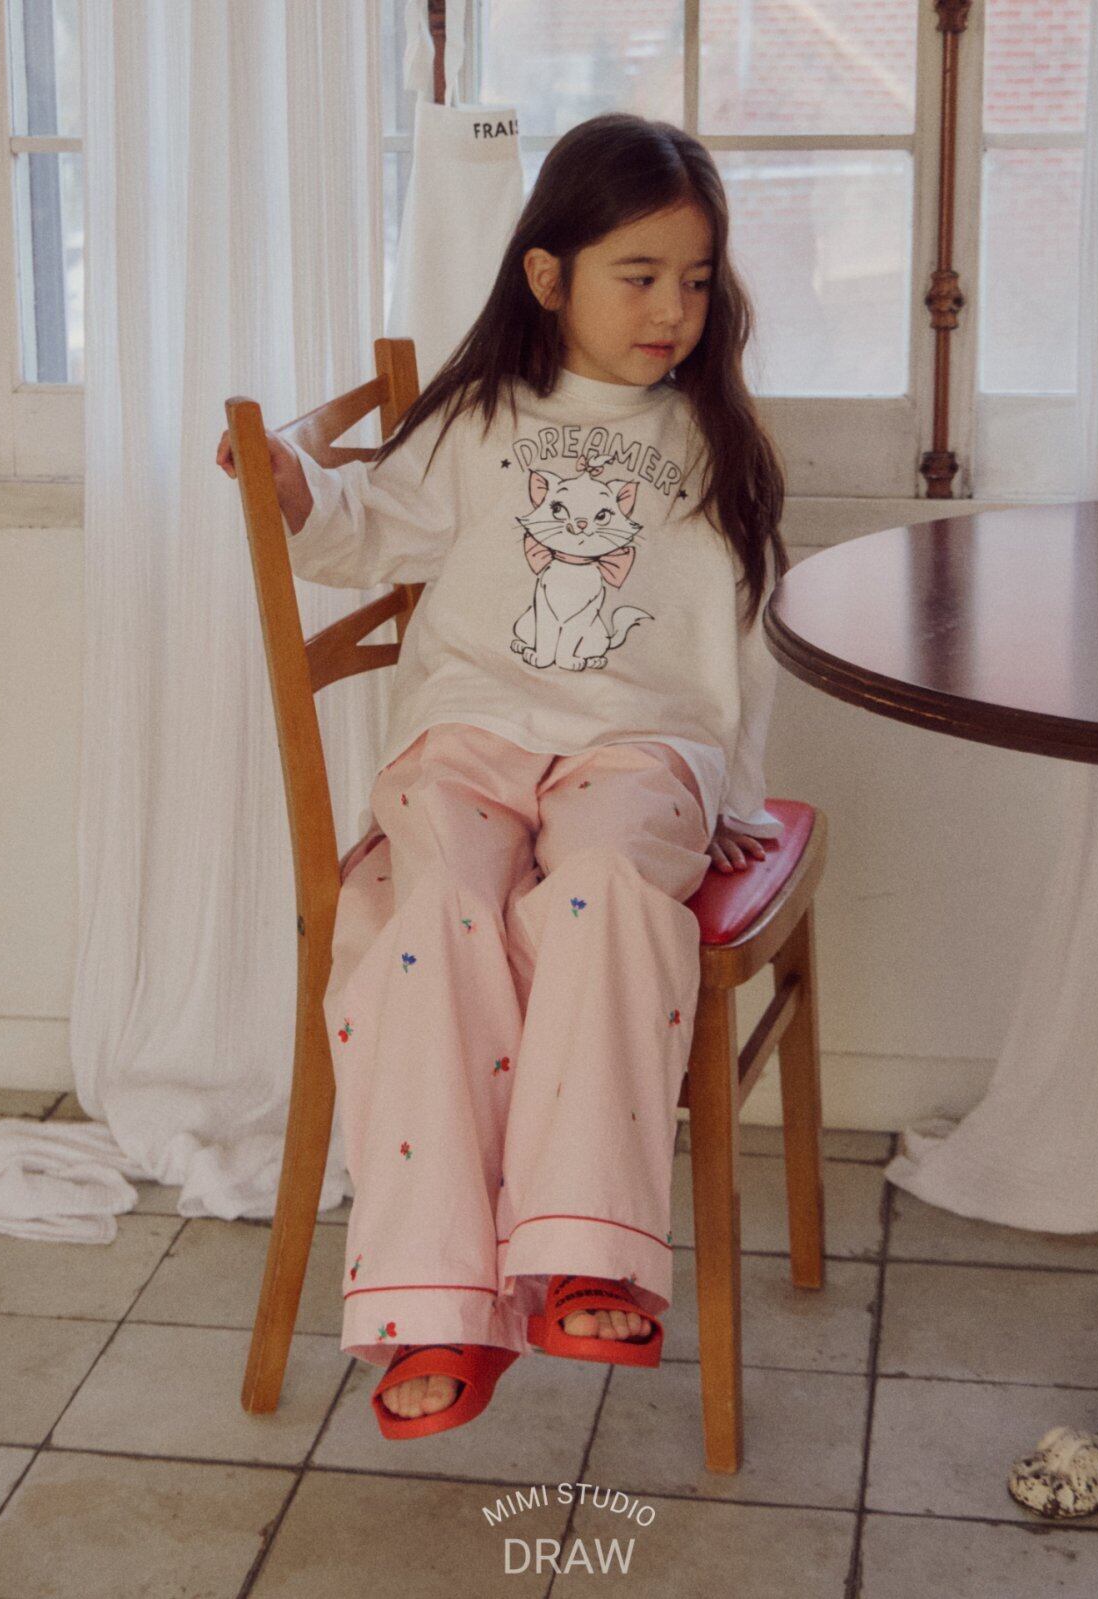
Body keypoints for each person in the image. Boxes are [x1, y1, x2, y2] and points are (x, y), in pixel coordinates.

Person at [216, 112, 790, 1442]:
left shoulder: (708, 435)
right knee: (429, 916)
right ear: (547, 274)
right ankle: (436, 1302)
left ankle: (585, 1247)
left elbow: (743, 631)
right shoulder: (475, 420)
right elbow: (366, 529)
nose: (673, 310)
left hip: (638, 745)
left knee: (601, 894)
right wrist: (294, 487)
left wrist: (734, 791)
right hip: (466, 735)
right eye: (638, 276)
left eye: (696, 280)